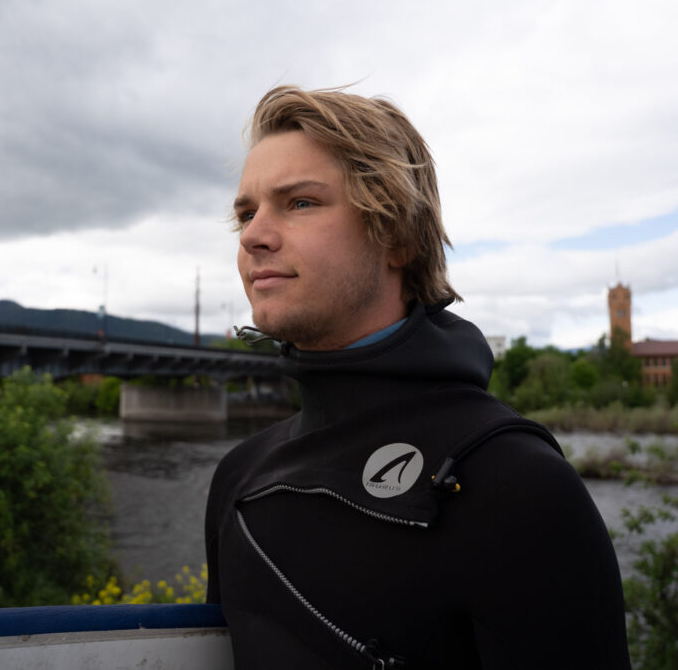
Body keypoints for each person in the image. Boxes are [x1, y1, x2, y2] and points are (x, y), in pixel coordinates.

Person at [205, 85, 631, 669]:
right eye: (246, 212)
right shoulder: (238, 476)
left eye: (299, 202)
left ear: (398, 236)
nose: (253, 234)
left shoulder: (514, 485)